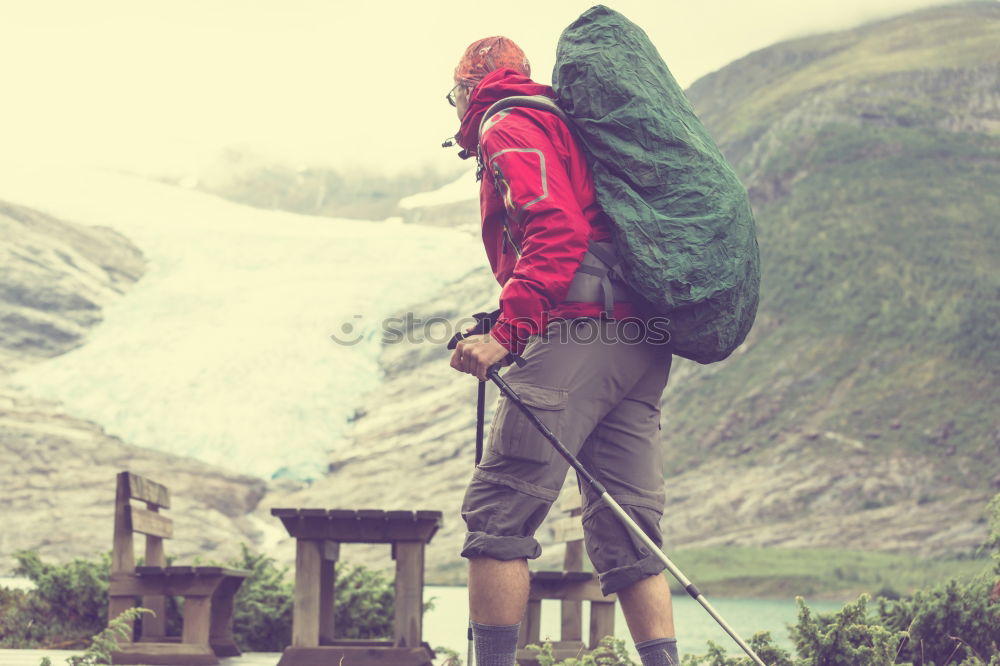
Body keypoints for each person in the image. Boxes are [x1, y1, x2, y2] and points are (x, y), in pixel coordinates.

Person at [447, 36, 679, 666]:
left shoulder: (508, 121)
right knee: (627, 527)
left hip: (581, 336)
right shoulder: (565, 125)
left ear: (472, 86)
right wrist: (507, 314)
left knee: (500, 512)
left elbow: (555, 226)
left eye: (456, 92)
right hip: (640, 341)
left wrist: (508, 335)